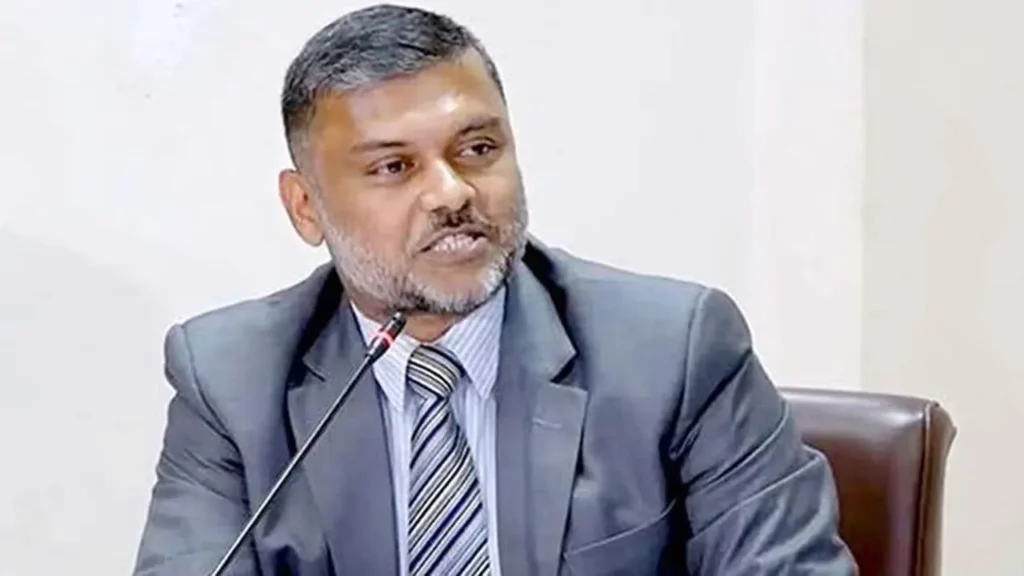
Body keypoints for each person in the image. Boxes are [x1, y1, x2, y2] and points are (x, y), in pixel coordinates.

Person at [133, 4, 857, 575]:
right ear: (305, 208)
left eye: (478, 149)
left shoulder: (678, 351)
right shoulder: (230, 381)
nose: (452, 193)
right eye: (393, 167)